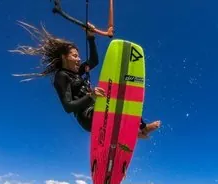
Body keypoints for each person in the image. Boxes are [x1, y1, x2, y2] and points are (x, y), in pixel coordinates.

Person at [10, 21, 161, 139]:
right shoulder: (61, 76)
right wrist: (91, 95)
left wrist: (91, 37)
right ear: (64, 57)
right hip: (87, 117)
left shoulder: (78, 72)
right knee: (114, 100)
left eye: (78, 55)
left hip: (98, 109)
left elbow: (94, 60)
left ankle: (138, 130)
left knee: (119, 92)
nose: (79, 59)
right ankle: (139, 130)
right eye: (75, 56)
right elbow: (68, 107)